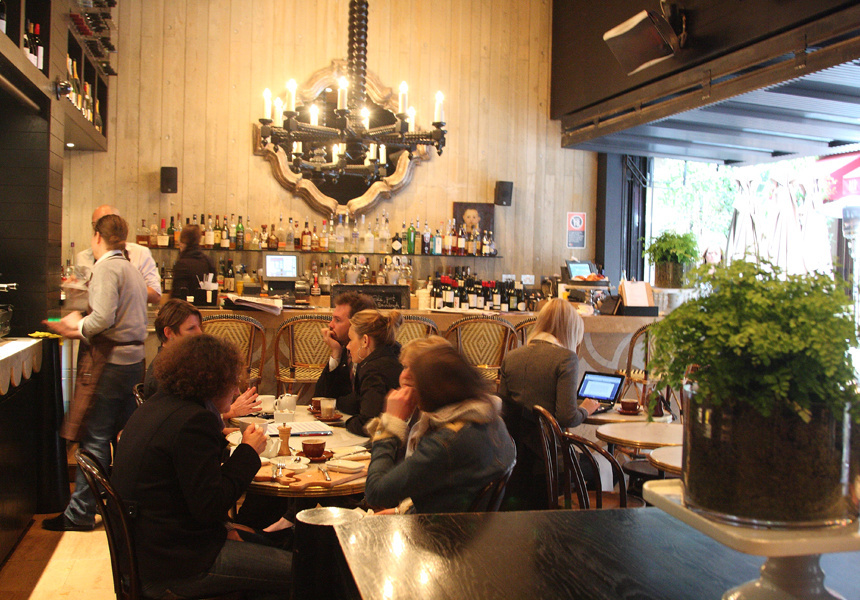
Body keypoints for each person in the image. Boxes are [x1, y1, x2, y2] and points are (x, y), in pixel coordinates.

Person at [111, 334, 291, 599]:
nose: (236, 391)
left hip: (149, 550)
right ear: (214, 382)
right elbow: (211, 505)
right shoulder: (193, 421)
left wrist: (225, 529)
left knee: (268, 540)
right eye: (233, 382)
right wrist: (248, 451)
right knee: (305, 571)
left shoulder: (160, 405)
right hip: (174, 567)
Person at [43, 214, 148, 531]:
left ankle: (80, 513)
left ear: (97, 237)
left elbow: (102, 318)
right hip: (134, 361)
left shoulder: (106, 268)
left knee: (96, 437)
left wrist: (74, 327)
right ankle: (123, 510)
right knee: (125, 439)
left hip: (111, 361)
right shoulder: (131, 268)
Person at [364, 337, 516, 513]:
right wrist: (402, 511)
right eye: (405, 367)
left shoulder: (447, 441)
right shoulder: (490, 419)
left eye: (415, 374)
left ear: (433, 386)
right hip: (468, 523)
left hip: (441, 529)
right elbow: (447, 492)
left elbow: (376, 492)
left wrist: (390, 424)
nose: (404, 377)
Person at [498, 298, 599, 510]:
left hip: (516, 457)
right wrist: (585, 409)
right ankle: (581, 518)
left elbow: (504, 410)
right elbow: (566, 417)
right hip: (551, 458)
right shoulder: (566, 359)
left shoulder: (511, 357)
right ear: (570, 330)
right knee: (599, 467)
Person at [144, 298, 260, 422]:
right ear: (169, 333)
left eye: (199, 327)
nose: (200, 333)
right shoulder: (162, 377)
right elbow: (181, 420)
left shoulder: (181, 365)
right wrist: (231, 410)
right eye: (191, 328)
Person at [76, 205, 161, 304]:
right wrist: (73, 288)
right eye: (96, 225)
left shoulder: (140, 253)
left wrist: (117, 289)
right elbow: (80, 300)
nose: (102, 229)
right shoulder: (83, 258)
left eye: (108, 224)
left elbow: (155, 295)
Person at [338, 309, 403, 435]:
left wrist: (344, 424)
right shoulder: (392, 355)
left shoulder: (373, 371)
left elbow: (368, 423)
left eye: (350, 340)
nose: (348, 346)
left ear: (365, 341)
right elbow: (360, 400)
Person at [314, 292, 376, 401]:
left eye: (337, 320)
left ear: (356, 324)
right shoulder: (345, 349)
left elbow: (360, 402)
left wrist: (337, 403)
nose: (330, 325)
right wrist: (336, 353)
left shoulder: (373, 353)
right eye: (332, 319)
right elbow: (320, 396)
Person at [171, 224, 216, 299]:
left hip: (185, 306)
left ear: (182, 241)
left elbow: (176, 295)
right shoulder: (208, 261)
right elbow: (214, 291)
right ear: (199, 239)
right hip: (206, 305)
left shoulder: (182, 263)